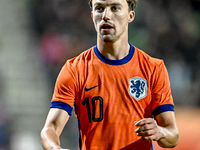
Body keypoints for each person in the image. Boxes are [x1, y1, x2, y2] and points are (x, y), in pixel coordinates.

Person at [40, 0, 179, 149]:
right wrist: (55, 148)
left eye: (115, 8)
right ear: (92, 15)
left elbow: (173, 135)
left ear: (130, 16)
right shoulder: (74, 70)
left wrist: (160, 132)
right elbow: (50, 129)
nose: (106, 15)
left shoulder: (153, 68)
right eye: (99, 8)